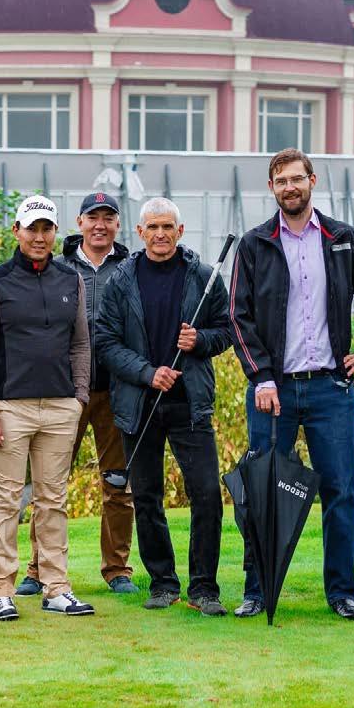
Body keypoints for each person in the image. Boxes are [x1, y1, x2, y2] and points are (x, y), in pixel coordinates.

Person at [229, 147, 354, 620]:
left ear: (312, 181)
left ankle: (342, 592)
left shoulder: (343, 239)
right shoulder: (254, 244)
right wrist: (261, 376)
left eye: (297, 179)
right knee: (262, 490)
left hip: (330, 389)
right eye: (281, 181)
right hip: (273, 391)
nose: (290, 187)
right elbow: (238, 316)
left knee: (340, 491)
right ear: (271, 188)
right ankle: (258, 591)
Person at [96, 196, 233, 616]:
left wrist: (201, 341)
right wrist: (147, 372)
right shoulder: (120, 281)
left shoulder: (203, 277)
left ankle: (204, 587)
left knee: (206, 494)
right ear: (140, 233)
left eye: (167, 227)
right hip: (139, 404)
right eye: (152, 227)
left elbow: (226, 330)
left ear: (180, 231)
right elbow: (106, 342)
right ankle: (163, 583)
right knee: (147, 496)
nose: (160, 234)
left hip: (190, 404)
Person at [0, 195, 95, 621]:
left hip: (61, 406)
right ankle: (1, 589)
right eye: (32, 228)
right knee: (6, 501)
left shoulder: (70, 280)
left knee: (53, 501)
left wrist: (79, 398)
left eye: (47, 229)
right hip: (10, 407)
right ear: (17, 231)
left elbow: (81, 344)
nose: (39, 237)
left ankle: (56, 587)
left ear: (55, 232)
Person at [17, 192, 137, 597]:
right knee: (50, 484)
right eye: (92, 217)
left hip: (118, 389)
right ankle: (38, 569)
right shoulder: (58, 267)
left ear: (117, 224)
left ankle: (117, 569)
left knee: (118, 484)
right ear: (80, 222)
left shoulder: (131, 268)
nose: (100, 225)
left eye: (108, 218)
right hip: (65, 391)